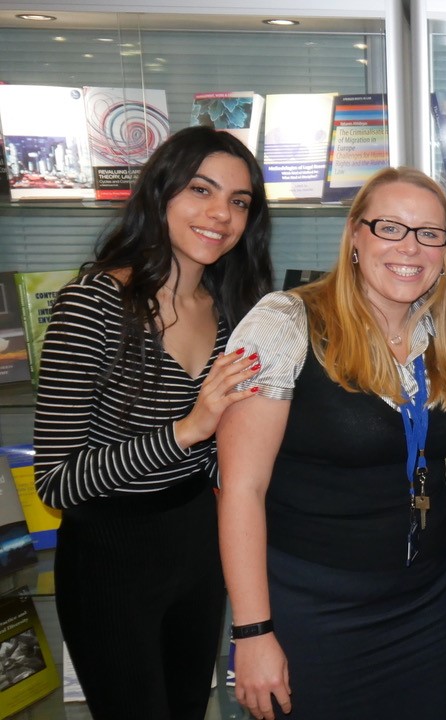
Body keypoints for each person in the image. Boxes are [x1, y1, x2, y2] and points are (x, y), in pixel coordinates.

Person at [33, 125, 273, 720]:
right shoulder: (93, 303)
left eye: (239, 202)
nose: (221, 214)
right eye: (201, 190)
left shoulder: (228, 309)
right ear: (161, 194)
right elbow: (57, 483)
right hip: (110, 558)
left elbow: (225, 454)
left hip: (199, 543)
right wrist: (188, 429)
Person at [217, 167, 446, 720]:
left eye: (430, 233)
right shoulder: (287, 321)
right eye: (391, 228)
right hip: (316, 612)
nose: (412, 247)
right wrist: (253, 631)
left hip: (427, 604)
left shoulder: (442, 335)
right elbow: (240, 487)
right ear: (355, 235)